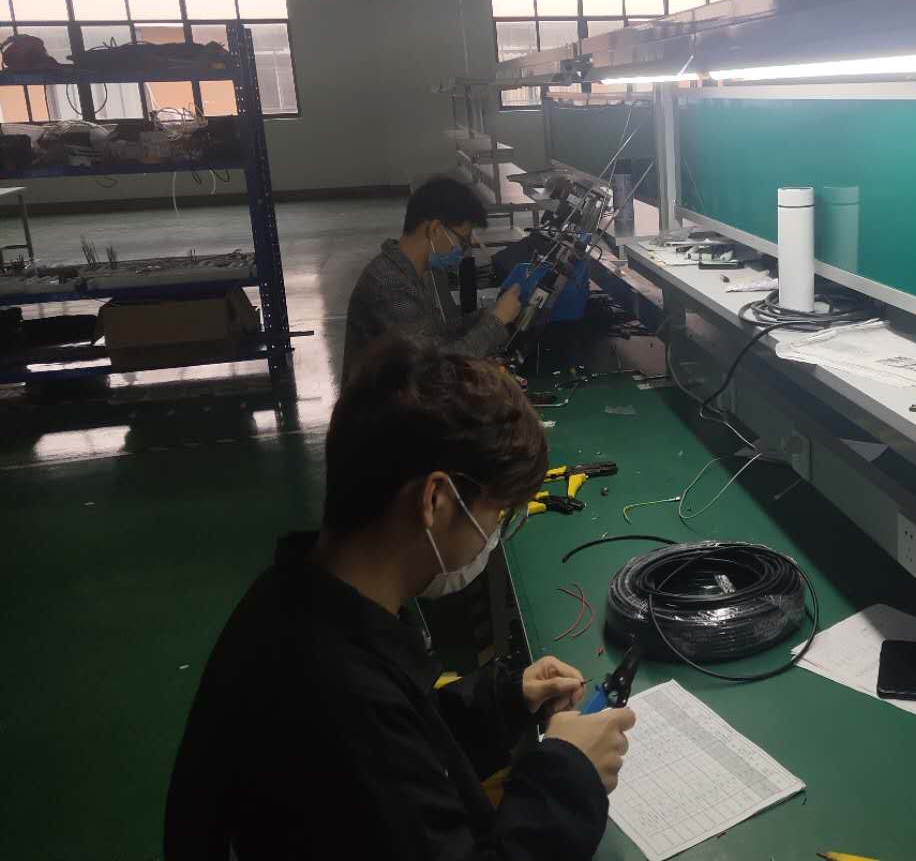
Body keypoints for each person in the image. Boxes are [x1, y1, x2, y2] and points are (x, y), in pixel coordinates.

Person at [165, 335, 635, 860]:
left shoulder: (297, 598)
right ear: (435, 500)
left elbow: (406, 754)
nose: (494, 533)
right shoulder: (335, 694)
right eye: (498, 512)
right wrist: (569, 778)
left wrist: (503, 700)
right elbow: (378, 751)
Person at [341, 175, 524, 383]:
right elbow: (437, 369)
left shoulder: (406, 272)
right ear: (435, 229)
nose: (464, 251)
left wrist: (484, 316)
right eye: (463, 240)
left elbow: (434, 336)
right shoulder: (390, 285)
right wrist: (496, 321)